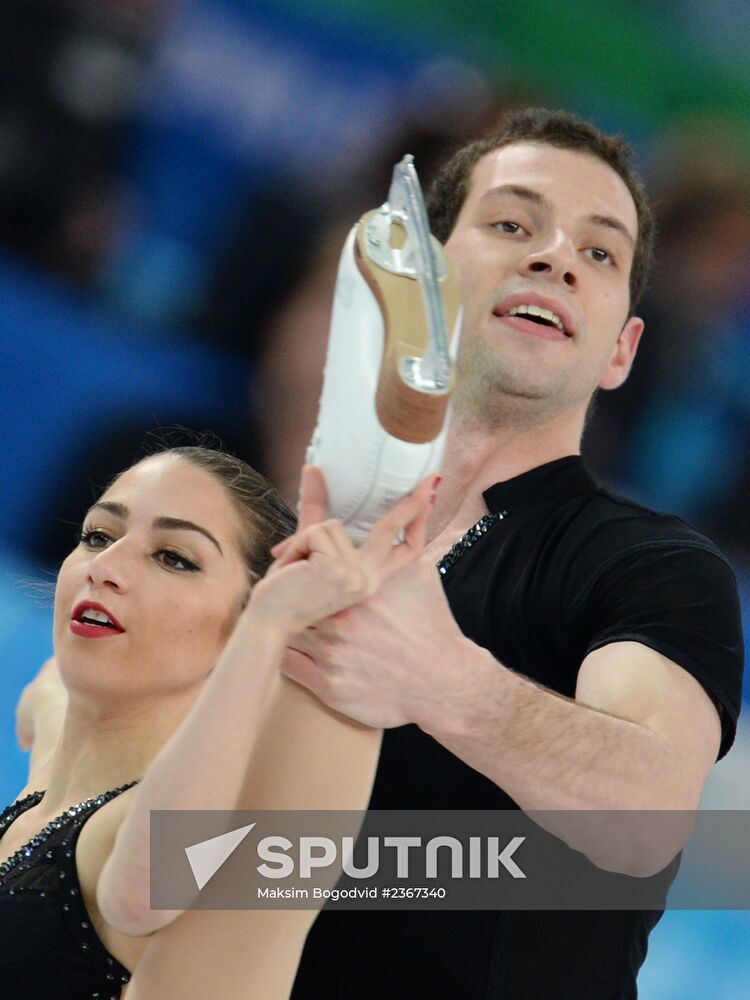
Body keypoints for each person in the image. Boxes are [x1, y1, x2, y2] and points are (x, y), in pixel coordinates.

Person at [280, 108, 745, 998]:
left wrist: (445, 681)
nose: (557, 258)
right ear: (425, 277)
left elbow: (647, 819)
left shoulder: (649, 566)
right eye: (511, 224)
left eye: (600, 254)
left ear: (622, 350)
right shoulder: (307, 540)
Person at [1, 443, 437, 999]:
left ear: (248, 624)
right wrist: (43, 698)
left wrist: (270, 627)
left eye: (173, 558)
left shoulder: (205, 841)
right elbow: (51, 698)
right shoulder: (46, 795)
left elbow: (143, 890)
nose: (105, 568)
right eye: (98, 536)